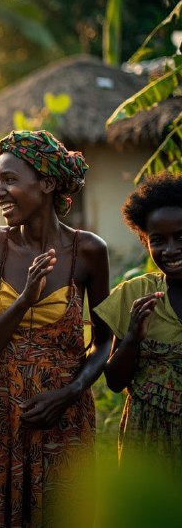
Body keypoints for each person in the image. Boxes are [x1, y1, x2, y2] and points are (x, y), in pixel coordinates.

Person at [0, 130, 112, 527]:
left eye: (9, 179)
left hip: (64, 415)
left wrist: (69, 393)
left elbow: (104, 340)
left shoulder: (89, 251)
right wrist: (24, 299)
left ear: (46, 183)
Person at [95, 173, 182, 475]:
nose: (170, 249)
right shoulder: (135, 295)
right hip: (146, 442)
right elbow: (115, 382)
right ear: (146, 242)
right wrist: (132, 336)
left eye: (180, 237)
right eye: (158, 240)